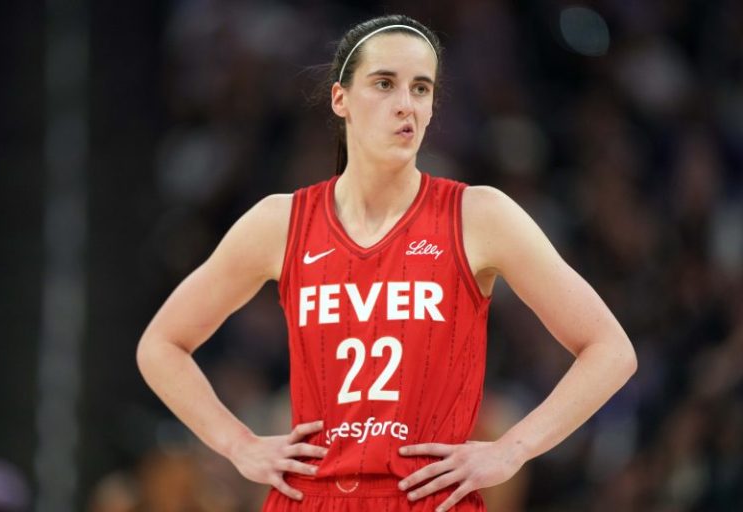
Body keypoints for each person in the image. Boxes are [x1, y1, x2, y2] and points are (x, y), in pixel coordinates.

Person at [136, 13, 638, 512]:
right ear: (341, 99)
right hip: (313, 498)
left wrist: (514, 449)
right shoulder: (280, 222)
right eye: (384, 84)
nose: (405, 104)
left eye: (421, 89)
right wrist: (238, 445)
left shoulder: (479, 215)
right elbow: (161, 345)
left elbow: (610, 351)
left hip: (428, 498)